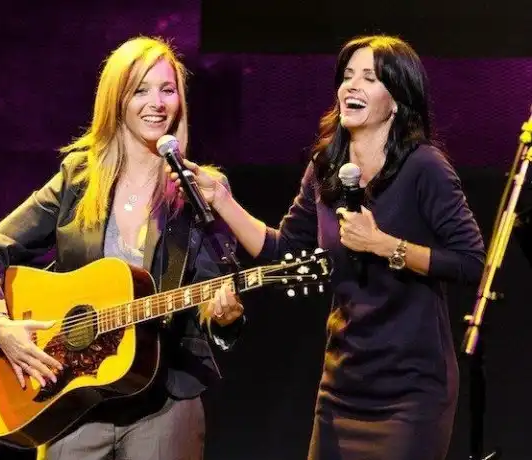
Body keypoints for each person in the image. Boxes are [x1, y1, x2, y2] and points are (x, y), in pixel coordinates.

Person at [172, 35, 485, 459]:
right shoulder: (325, 168)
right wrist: (223, 202)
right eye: (347, 76)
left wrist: (385, 245)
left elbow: (471, 262)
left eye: (369, 78)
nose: (352, 85)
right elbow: (284, 251)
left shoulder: (424, 167)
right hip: (343, 385)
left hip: (411, 391)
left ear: (396, 100)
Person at [0, 36, 245, 460]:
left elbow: (213, 294)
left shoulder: (200, 188)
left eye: (168, 90)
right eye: (140, 90)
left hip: (164, 400)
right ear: (117, 100)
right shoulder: (78, 178)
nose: (157, 103)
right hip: (73, 401)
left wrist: (223, 317)